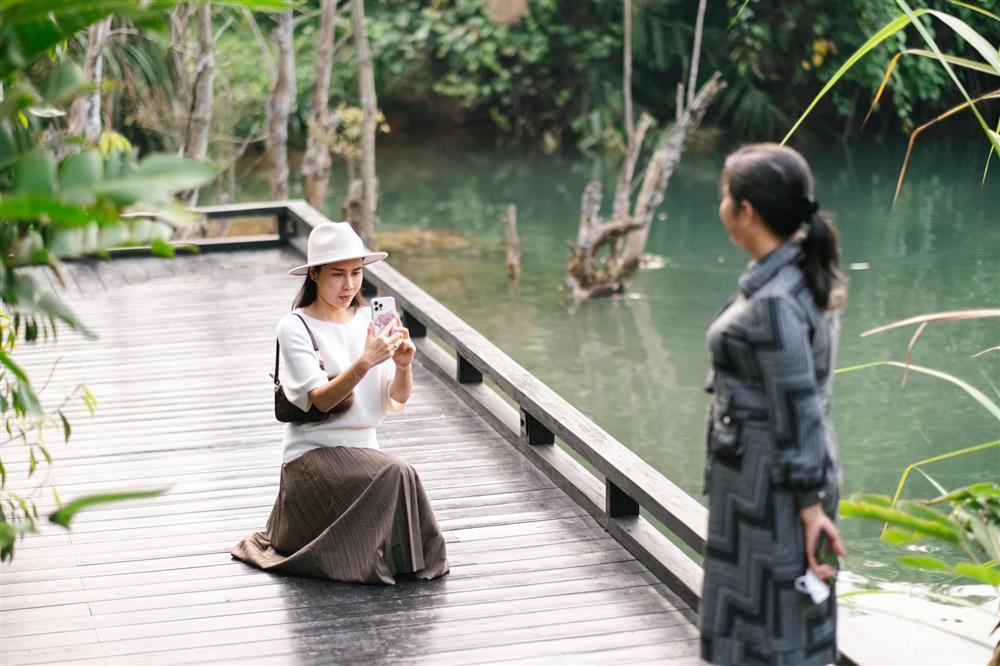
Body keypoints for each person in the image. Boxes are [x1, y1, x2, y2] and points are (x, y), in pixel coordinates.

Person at [232, 222, 449, 584]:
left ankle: (405, 561)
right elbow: (319, 399)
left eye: (356, 273)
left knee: (396, 471)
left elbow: (396, 400)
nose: (349, 285)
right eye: (337, 275)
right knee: (398, 471)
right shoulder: (295, 326)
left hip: (367, 458)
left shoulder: (370, 320)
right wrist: (365, 361)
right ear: (314, 274)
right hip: (313, 459)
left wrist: (403, 366)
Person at [700, 143, 847, 666]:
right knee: (772, 620)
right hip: (764, 481)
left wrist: (810, 510)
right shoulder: (795, 274)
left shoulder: (776, 302)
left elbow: (798, 405)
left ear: (747, 211)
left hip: (775, 489)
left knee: (774, 632)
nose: (721, 207)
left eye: (724, 196)